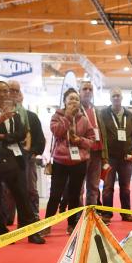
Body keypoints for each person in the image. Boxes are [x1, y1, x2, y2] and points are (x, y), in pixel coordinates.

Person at [0, 81, 45, 244]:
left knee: (23, 195)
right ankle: (1, 233)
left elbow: (21, 134)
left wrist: (2, 137)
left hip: (14, 157)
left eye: (5, 91)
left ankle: (30, 232)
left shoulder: (15, 113)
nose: (3, 94)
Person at [45, 89, 95, 234]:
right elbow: (57, 132)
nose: (74, 102)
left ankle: (72, 224)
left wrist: (80, 140)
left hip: (79, 162)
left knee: (74, 195)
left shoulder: (84, 120)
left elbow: (92, 140)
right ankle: (47, 224)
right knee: (55, 194)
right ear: (65, 101)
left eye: (76, 99)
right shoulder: (57, 116)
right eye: (71, 99)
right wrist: (67, 117)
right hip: (61, 160)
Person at [2, 80, 46, 223]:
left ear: (21, 95)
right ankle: (8, 218)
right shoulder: (1, 116)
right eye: (11, 90)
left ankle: (33, 217)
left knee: (30, 190)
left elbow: (40, 138)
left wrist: (33, 153)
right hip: (7, 158)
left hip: (27, 159)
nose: (13, 93)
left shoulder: (31, 116)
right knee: (7, 190)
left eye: (16, 90)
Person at [100, 87, 132, 224]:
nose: (116, 98)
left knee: (126, 187)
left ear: (122, 98)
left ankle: (126, 213)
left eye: (118, 96)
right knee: (107, 187)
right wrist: (102, 155)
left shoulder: (130, 116)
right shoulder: (103, 114)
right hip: (109, 157)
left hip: (126, 157)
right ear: (110, 99)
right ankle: (106, 214)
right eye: (114, 96)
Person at [80, 80, 109, 211]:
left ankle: (91, 215)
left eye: (90, 89)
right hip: (82, 154)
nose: (87, 91)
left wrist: (105, 156)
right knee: (79, 188)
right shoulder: (76, 110)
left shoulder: (97, 111)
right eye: (84, 89)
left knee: (94, 187)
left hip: (97, 153)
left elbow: (103, 134)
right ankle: (78, 216)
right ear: (79, 92)